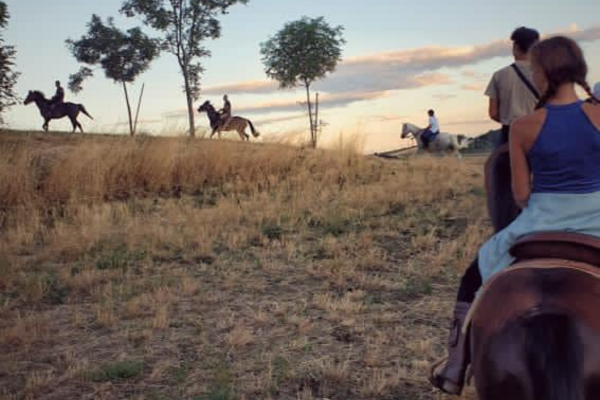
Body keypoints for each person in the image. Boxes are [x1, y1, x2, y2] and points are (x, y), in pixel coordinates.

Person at [429, 36, 600, 396]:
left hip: (540, 221)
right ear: (579, 70)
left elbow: (521, 195)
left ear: (540, 75)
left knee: (473, 276)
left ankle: (455, 364)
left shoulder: (523, 126)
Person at [485, 27, 540, 233]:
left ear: (515, 46)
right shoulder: (546, 74)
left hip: (510, 133)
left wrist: (514, 120)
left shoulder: (499, 75)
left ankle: (505, 225)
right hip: (541, 132)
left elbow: (493, 113)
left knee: (502, 184)